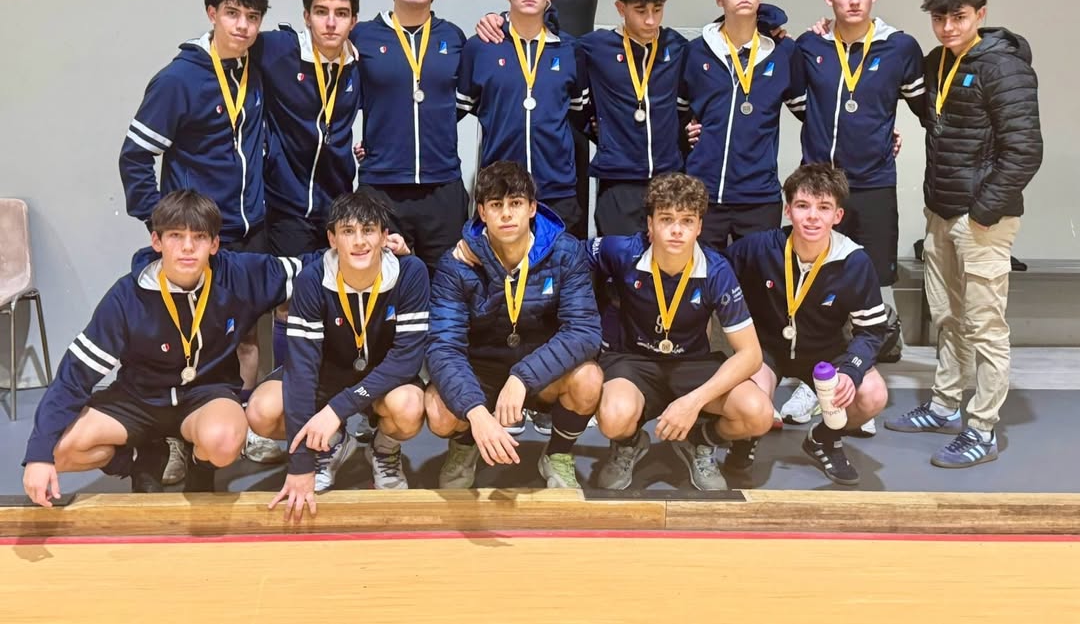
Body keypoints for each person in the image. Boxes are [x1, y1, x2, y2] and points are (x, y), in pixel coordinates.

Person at [21, 191, 310, 506]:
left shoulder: (237, 275)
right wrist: (38, 457)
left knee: (225, 440)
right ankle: (140, 458)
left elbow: (310, 267)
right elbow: (72, 377)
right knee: (56, 450)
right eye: (176, 236)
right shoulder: (126, 297)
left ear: (214, 245)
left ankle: (201, 465)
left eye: (199, 237)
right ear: (156, 241)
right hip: (138, 398)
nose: (187, 247)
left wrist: (365, 252)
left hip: (205, 395)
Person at [118, 0, 280, 473]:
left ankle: (247, 425)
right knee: (184, 336)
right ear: (211, 14)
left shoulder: (254, 67)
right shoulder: (178, 79)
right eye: (232, 14)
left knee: (247, 336)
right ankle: (172, 436)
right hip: (197, 234)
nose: (243, 26)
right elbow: (134, 156)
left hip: (249, 227)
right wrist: (166, 225)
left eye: (252, 17)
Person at [885, 0, 1042, 468]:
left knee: (985, 326)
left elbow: (1025, 151)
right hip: (941, 211)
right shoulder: (938, 62)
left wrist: (982, 211)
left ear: (980, 14)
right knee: (948, 318)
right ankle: (944, 404)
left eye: (959, 17)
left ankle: (983, 429)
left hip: (981, 222)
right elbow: (939, 126)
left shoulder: (1004, 68)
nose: (948, 27)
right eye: (939, 18)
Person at [781, 0, 924, 427]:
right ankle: (809, 381)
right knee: (814, 281)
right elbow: (801, 102)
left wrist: (883, 136)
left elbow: (928, 109)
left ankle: (857, 383)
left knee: (873, 280)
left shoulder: (900, 47)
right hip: (821, 185)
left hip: (875, 184)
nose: (854, 0)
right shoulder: (810, 46)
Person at [246, 193, 428, 520]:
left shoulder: (410, 272)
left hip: (384, 377)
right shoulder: (313, 279)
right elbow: (301, 370)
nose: (359, 242)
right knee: (262, 412)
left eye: (369, 230)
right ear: (332, 238)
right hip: (325, 376)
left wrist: (336, 409)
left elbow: (406, 360)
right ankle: (329, 443)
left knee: (410, 408)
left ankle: (384, 450)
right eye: (347, 231)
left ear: (385, 236)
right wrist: (300, 463)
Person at [425, 161, 602, 489]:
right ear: (481, 211)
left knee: (589, 379)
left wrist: (522, 377)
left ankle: (558, 454)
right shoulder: (456, 263)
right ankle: (465, 446)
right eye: (496, 205)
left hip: (539, 371)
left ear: (533, 208)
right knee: (439, 411)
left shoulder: (565, 252)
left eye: (516, 203)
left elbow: (584, 331)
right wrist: (476, 412)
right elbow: (442, 346)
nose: (506, 214)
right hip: (481, 369)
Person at [590, 173, 773, 491]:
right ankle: (630, 443)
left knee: (758, 414)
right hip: (634, 362)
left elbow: (751, 354)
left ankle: (699, 443)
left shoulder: (716, 271)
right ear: (650, 224)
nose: (677, 230)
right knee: (613, 416)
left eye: (687, 220)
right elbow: (568, 256)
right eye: (666, 219)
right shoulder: (622, 252)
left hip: (693, 365)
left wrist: (694, 402)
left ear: (699, 226)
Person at [477, 0, 689, 236]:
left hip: (669, 175)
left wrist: (693, 126)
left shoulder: (679, 47)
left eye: (657, 10)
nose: (650, 20)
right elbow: (546, 31)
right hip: (618, 177)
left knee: (670, 262)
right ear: (620, 8)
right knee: (617, 263)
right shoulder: (592, 47)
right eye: (640, 11)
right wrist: (498, 19)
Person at [722, 164, 889, 485]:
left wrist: (852, 371)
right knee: (750, 405)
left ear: (837, 215)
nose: (812, 216)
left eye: (823, 207)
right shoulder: (760, 248)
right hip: (766, 350)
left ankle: (823, 438)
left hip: (824, 354)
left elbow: (872, 331)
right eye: (803, 206)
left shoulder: (854, 261)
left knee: (872, 395)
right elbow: (713, 270)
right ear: (788, 210)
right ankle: (745, 440)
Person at [350, 0, 470, 273]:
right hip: (382, 184)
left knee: (447, 283)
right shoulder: (363, 37)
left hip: (442, 185)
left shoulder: (453, 37)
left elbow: (461, 102)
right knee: (382, 285)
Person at [260, 0, 362, 372]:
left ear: (353, 20)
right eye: (321, 12)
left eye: (341, 13)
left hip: (336, 206)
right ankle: (285, 398)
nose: (331, 22)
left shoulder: (359, 63)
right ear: (306, 16)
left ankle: (322, 397)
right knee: (287, 302)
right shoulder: (277, 50)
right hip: (286, 204)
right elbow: (228, 40)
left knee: (330, 301)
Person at [679, 0, 806, 252]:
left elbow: (812, 113)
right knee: (701, 285)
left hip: (758, 196)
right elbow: (677, 113)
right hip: (703, 193)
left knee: (757, 289)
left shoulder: (783, 53)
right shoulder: (697, 52)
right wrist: (684, 135)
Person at [458, 0, 588, 234]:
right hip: (500, 192)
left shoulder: (569, 50)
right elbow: (448, 115)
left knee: (558, 275)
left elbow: (580, 116)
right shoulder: (480, 48)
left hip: (556, 190)